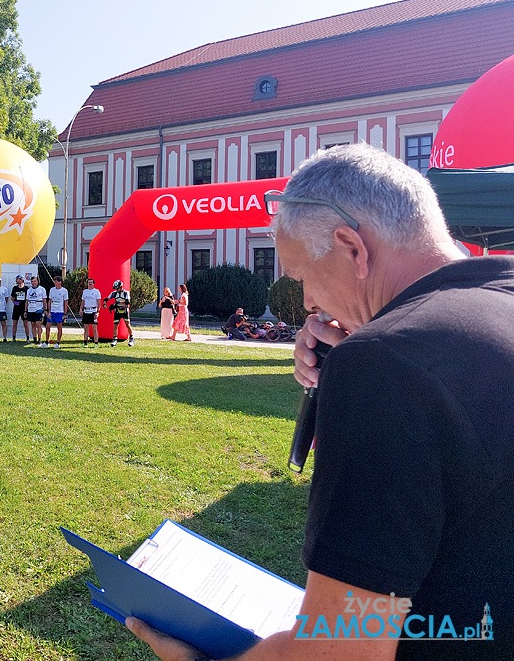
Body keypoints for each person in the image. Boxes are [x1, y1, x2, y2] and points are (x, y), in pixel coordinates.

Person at [128, 144, 514, 661]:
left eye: (303, 276)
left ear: (352, 248)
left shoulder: (385, 364)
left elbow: (342, 648)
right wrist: (369, 328)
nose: (308, 302)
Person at [102, 279, 135, 347]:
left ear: (121, 287)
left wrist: (117, 303)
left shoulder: (126, 293)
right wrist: (105, 304)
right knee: (115, 325)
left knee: (127, 324)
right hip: (117, 311)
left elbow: (127, 302)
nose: (116, 290)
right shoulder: (114, 293)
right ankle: (114, 339)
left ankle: (131, 338)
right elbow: (106, 299)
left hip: (125, 311)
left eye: (117, 288)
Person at [25, 276, 47, 346]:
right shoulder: (29, 290)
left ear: (37, 282)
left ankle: (39, 339)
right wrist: (25, 311)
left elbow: (44, 300)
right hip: (31, 309)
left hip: (38, 309)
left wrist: (45, 309)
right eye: (32, 281)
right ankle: (34, 339)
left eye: (35, 281)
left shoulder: (42, 289)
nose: (34, 283)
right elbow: (27, 301)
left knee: (38, 325)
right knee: (33, 325)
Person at [80, 277, 102, 347]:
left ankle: (96, 343)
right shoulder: (85, 291)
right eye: (89, 282)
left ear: (93, 284)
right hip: (86, 311)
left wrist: (98, 311)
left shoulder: (96, 292)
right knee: (86, 328)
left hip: (93, 311)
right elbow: (83, 301)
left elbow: (99, 302)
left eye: (91, 282)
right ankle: (85, 343)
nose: (90, 284)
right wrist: (81, 309)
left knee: (94, 328)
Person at [10, 275, 28, 342]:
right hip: (16, 308)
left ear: (21, 280)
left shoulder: (26, 288)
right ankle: (14, 338)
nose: (16, 280)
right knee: (14, 323)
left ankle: (28, 338)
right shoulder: (15, 288)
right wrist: (15, 303)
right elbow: (12, 297)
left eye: (17, 279)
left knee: (25, 323)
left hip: (24, 308)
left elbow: (28, 299)